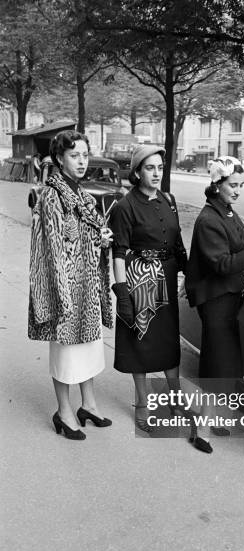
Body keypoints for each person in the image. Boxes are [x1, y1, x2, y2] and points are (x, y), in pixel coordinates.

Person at [185, 156, 244, 452]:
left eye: (241, 185)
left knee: (227, 365)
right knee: (217, 364)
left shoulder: (226, 212)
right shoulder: (208, 219)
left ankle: (210, 420)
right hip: (215, 301)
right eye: (233, 185)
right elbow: (223, 264)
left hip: (228, 297)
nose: (238, 191)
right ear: (217, 185)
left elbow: (237, 249)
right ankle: (201, 427)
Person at [28, 130, 114, 440]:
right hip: (65, 288)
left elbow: (85, 238)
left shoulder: (86, 197)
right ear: (60, 159)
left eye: (84, 155)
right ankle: (64, 412)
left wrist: (100, 240)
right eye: (74, 155)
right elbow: (51, 248)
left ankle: (88, 405)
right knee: (65, 353)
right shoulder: (52, 195)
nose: (81, 161)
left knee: (89, 349)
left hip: (86, 288)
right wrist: (60, 294)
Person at [109, 144, 187, 433]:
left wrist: (187, 275)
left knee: (168, 342)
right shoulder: (125, 206)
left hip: (166, 277)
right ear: (137, 172)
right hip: (140, 280)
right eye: (149, 168)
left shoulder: (168, 199)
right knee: (139, 342)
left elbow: (178, 244)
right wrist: (122, 293)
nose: (156, 173)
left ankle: (176, 399)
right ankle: (142, 403)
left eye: (159, 167)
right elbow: (118, 252)